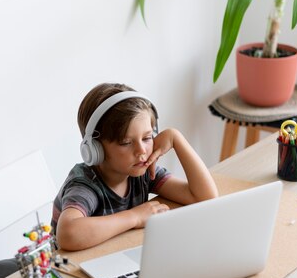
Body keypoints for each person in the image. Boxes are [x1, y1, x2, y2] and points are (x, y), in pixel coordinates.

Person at [52, 83, 218, 251]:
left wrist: (176, 139)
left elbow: (204, 197)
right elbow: (68, 235)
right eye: (126, 142)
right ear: (95, 150)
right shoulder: (85, 185)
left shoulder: (141, 171)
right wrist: (135, 217)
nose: (141, 151)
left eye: (147, 138)